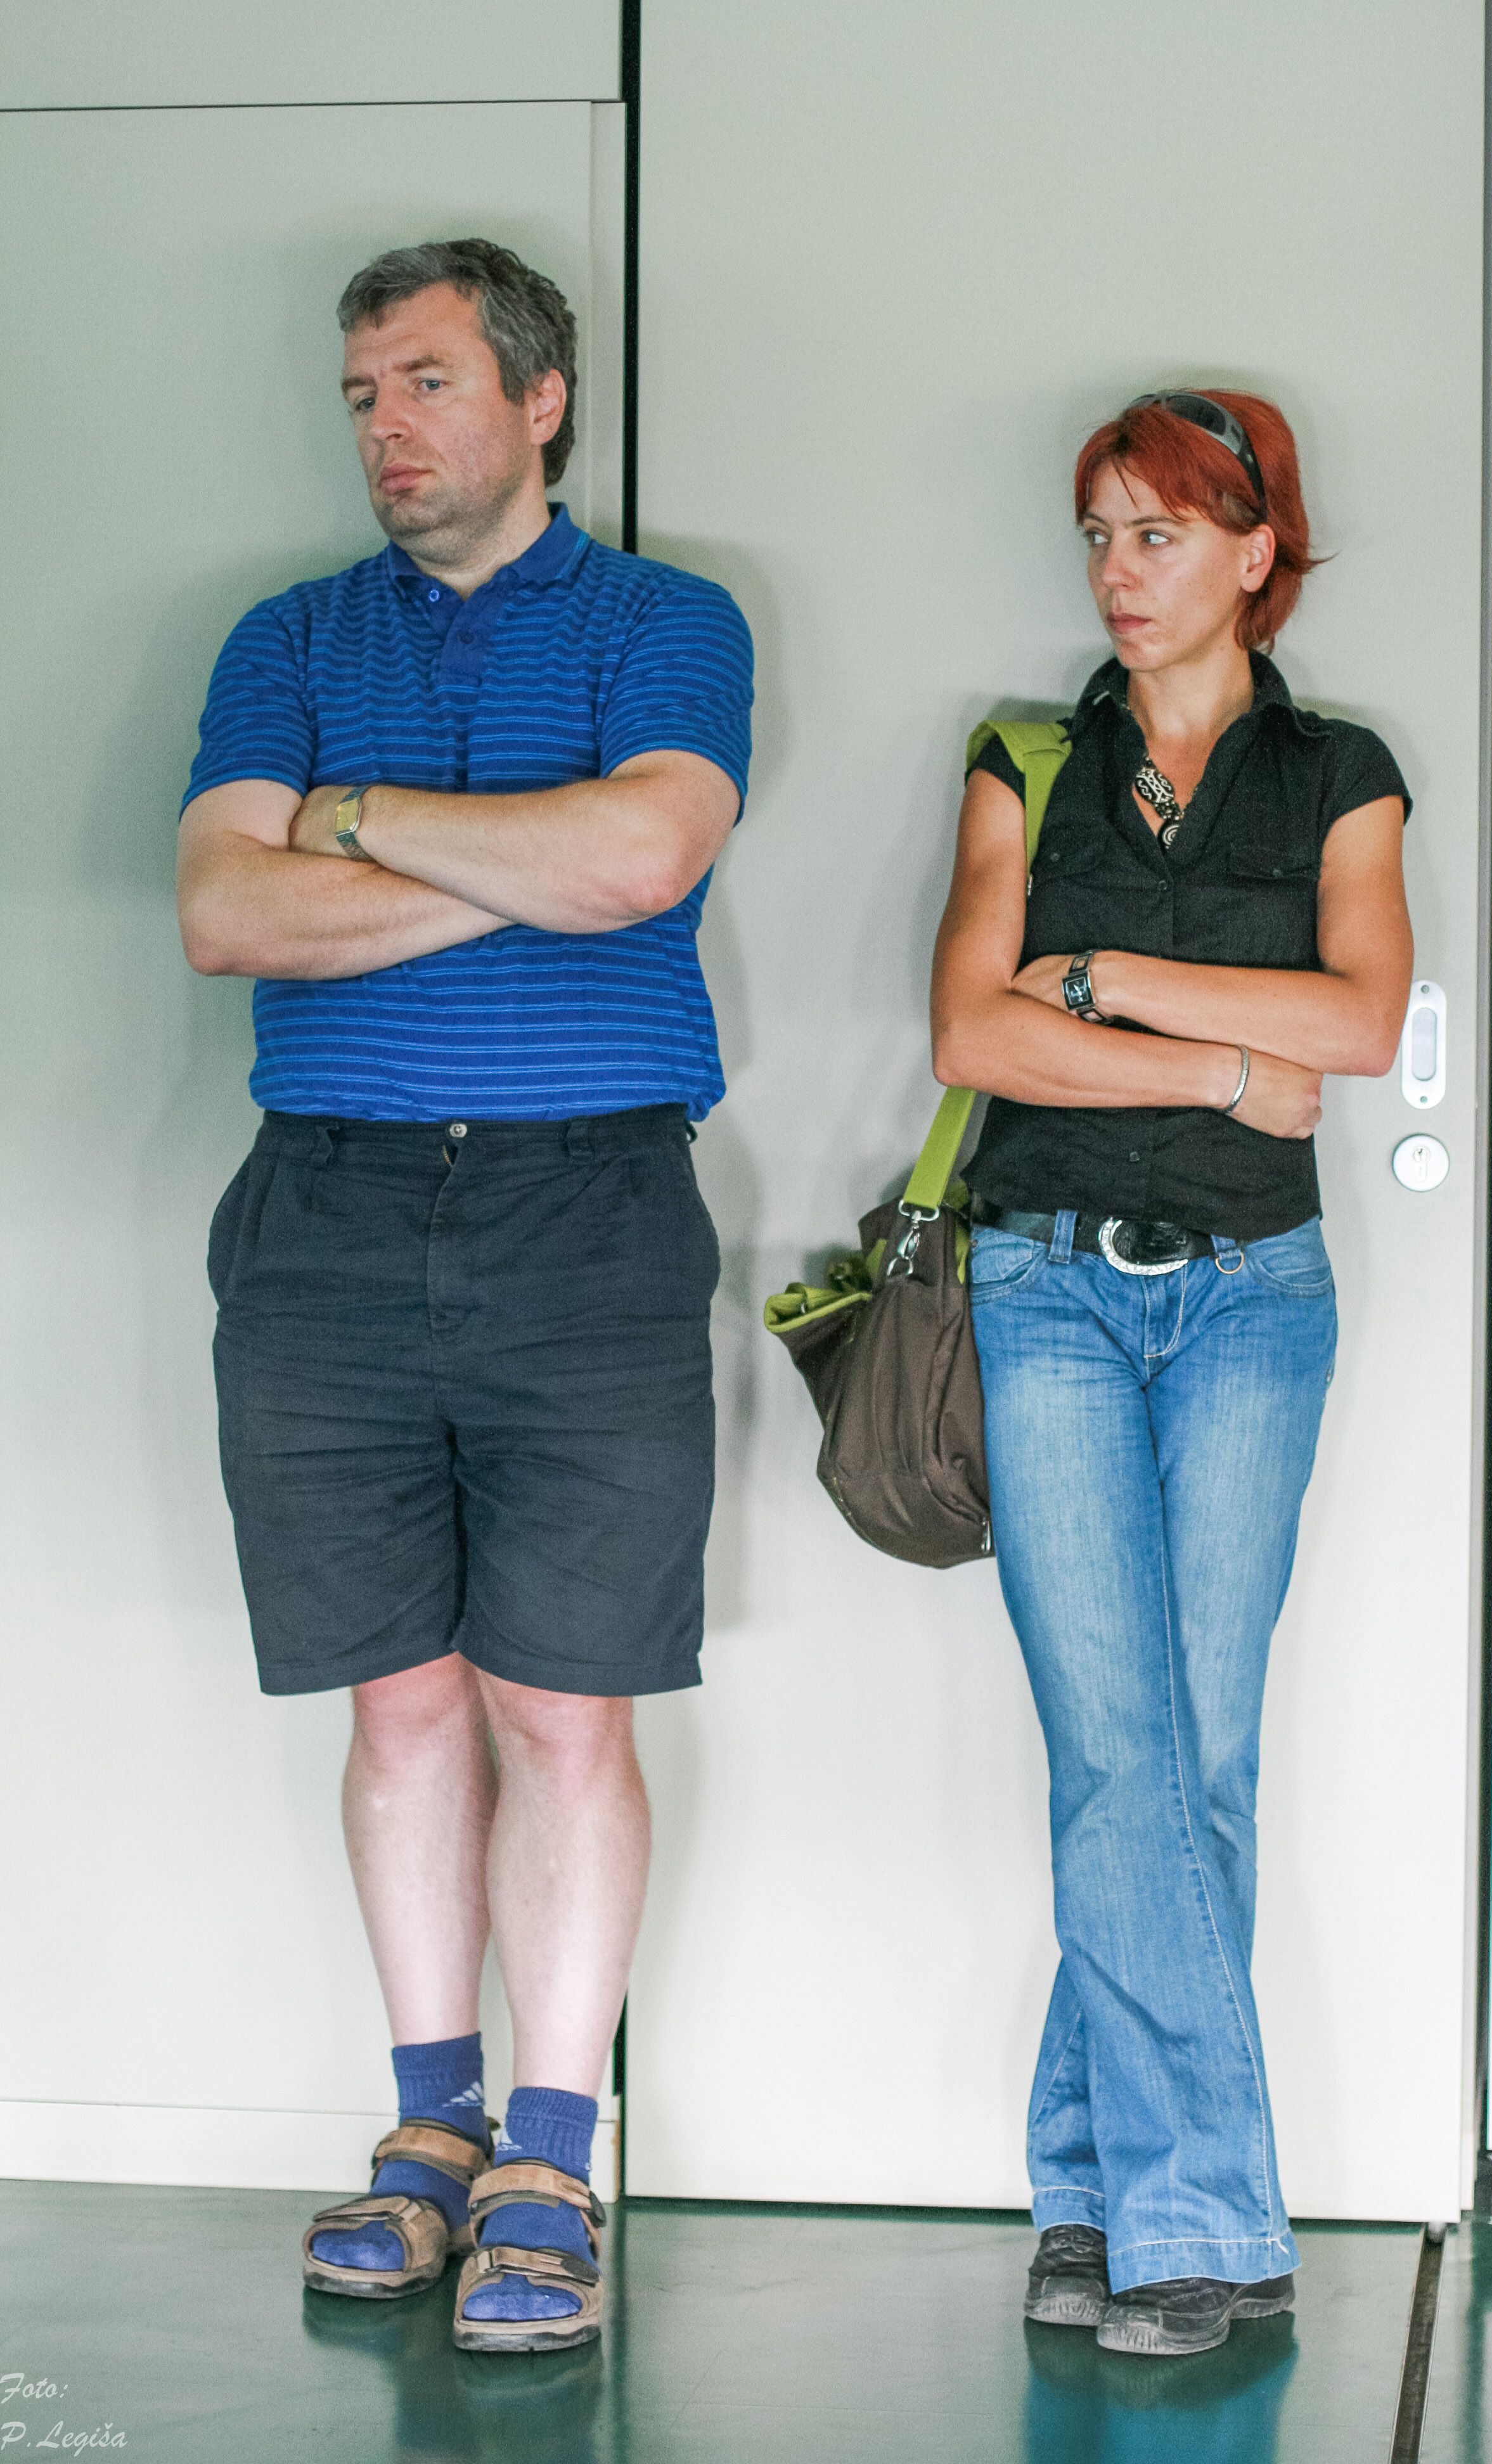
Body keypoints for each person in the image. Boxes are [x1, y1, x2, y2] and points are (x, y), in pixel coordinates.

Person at [176, 238, 752, 2355]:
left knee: (561, 1707)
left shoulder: (666, 623)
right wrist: (524, 866)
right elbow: (226, 914)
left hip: (589, 1215)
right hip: (322, 1217)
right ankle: (430, 2135)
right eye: (362, 393)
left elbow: (643, 866)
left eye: (424, 380)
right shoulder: (287, 637)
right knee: (401, 1704)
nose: (386, 426)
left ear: (540, 397)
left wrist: (363, 833)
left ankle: (550, 2159)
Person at [930, 390, 1412, 2357]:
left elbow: (1361, 1020)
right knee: (1122, 1752)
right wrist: (1219, 1058)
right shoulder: (1025, 761)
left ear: (1254, 551)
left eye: (1158, 534)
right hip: (1044, 1290)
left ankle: (1089, 2196)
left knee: (1188, 1764)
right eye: (1101, 537)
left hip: (1254, 1305)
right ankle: (1207, 2225)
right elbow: (975, 1036)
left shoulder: (1340, 775)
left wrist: (1105, 981)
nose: (1119, 574)